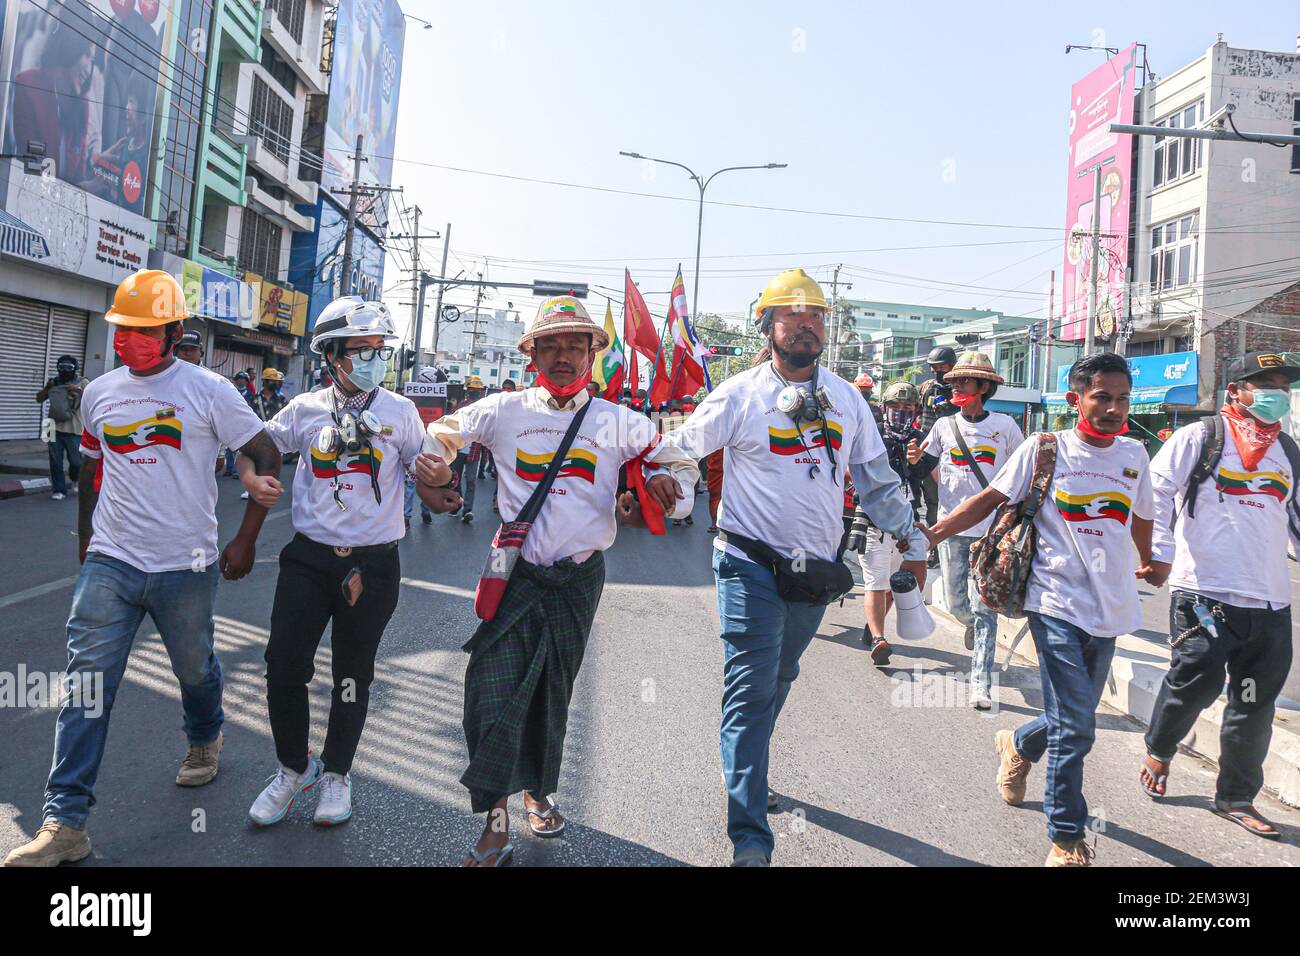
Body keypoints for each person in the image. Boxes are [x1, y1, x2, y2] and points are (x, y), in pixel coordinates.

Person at [3, 270, 281, 867]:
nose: (128, 340)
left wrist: (246, 537)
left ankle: (205, 735)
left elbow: (264, 452)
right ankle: (64, 822)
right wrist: (86, 541)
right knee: (85, 687)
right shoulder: (101, 393)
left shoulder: (209, 391)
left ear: (174, 331)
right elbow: (89, 473)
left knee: (194, 671)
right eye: (121, 330)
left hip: (187, 566)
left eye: (142, 330)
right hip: (112, 560)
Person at [663, 269, 928, 867]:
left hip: (816, 572)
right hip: (746, 560)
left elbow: (876, 479)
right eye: (792, 315)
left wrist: (913, 535)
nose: (806, 325)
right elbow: (680, 447)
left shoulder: (848, 398)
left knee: (780, 679)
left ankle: (748, 768)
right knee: (753, 688)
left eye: (816, 316)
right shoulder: (739, 394)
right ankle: (751, 837)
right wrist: (667, 480)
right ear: (769, 325)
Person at [422, 296, 698, 866]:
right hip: (516, 577)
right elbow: (440, 437)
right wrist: (435, 475)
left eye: (577, 344)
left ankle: (538, 794)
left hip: (578, 582)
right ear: (533, 354)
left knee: (552, 692)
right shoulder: (502, 410)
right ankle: (494, 823)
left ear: (594, 354)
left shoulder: (620, 422)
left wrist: (672, 490)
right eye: (552, 344)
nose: (565, 355)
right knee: (488, 698)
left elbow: (678, 462)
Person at [921, 352, 1166, 867]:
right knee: (1077, 727)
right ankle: (1065, 837)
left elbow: (1141, 514)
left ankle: (1018, 744)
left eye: (1122, 399)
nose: (1113, 408)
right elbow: (990, 498)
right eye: (1102, 397)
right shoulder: (1045, 447)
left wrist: (1152, 561)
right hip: (1053, 601)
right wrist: (933, 534)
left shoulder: (1134, 454)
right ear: (1076, 399)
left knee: (1068, 718)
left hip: (1111, 605)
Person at [244, 297, 451, 828]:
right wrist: (251, 476)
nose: (371, 359)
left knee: (352, 672)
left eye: (378, 350)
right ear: (332, 355)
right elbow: (256, 447)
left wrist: (439, 482)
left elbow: (428, 487)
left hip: (374, 566)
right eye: (360, 350)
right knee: (283, 664)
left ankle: (337, 771)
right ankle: (294, 768)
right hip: (308, 561)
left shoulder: (401, 412)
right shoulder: (305, 409)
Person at [1141, 352, 1300, 839]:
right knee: (1196, 684)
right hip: (1204, 594)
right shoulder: (1202, 437)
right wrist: (1160, 553)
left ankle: (1235, 796)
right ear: (1236, 390)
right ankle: (1160, 747)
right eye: (1264, 383)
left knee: (1253, 703)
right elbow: (1155, 492)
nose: (1277, 393)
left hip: (1269, 603)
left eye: (1283, 385)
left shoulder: (1289, 452)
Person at [908, 352, 1024, 708]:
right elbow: (920, 469)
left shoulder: (1005, 427)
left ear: (983, 387)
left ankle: (981, 683)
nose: (956, 387)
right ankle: (971, 624)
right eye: (954, 382)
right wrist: (914, 460)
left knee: (983, 607)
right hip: (951, 528)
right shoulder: (943, 426)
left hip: (992, 533)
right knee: (959, 604)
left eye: (964, 382)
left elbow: (1023, 475)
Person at [844, 381, 926, 665]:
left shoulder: (921, 439)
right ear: (884, 408)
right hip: (872, 516)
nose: (900, 413)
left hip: (907, 520)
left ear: (916, 410)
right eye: (895, 407)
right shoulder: (871, 436)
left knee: (899, 580)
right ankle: (879, 638)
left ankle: (872, 624)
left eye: (907, 408)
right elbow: (850, 467)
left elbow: (931, 480)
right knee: (875, 581)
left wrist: (920, 461)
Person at [917, 346, 959, 568]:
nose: (938, 373)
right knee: (926, 502)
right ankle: (928, 548)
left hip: (950, 453)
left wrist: (950, 404)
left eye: (942, 368)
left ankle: (944, 549)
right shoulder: (926, 387)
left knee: (945, 503)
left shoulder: (960, 390)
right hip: (926, 452)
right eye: (934, 368)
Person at [36, 355, 89, 501]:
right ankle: (59, 490)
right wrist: (48, 388)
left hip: (75, 428)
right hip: (50, 426)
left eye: (69, 368)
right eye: (61, 367)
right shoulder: (54, 382)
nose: (64, 370)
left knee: (76, 462)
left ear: (75, 369)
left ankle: (75, 479)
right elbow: (39, 399)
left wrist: (78, 390)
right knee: (55, 461)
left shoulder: (83, 382)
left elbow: (94, 399)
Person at [224, 371, 257, 477]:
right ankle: (229, 468)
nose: (241, 380)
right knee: (229, 447)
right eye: (239, 378)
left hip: (244, 423)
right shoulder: (230, 392)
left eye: (243, 379)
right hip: (229, 421)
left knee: (239, 447)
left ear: (247, 381)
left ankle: (236, 470)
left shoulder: (251, 395)